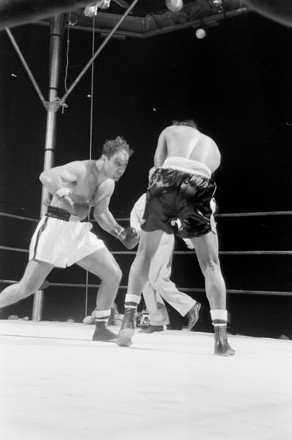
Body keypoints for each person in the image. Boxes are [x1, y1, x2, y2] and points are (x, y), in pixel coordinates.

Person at [0, 136, 139, 341]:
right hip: (55, 227)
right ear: (104, 158)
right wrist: (68, 196)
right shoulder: (82, 169)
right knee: (27, 287)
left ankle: (101, 327)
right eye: (117, 163)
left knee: (113, 274)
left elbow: (101, 214)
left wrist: (121, 233)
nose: (121, 169)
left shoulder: (108, 184)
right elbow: (46, 176)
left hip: (78, 231)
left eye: (124, 165)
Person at [117, 120, 235, 356]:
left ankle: (128, 320)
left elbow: (157, 168)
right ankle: (221, 340)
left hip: (167, 179)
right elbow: (206, 182)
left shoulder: (170, 131)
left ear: (181, 126)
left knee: (144, 254)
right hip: (199, 184)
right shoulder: (214, 148)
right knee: (211, 264)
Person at [130, 174, 201, 333]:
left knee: (158, 279)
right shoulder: (143, 199)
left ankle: (189, 306)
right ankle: (157, 320)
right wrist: (136, 235)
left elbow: (181, 220)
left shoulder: (169, 198)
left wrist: (190, 241)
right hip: (146, 241)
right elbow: (134, 219)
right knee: (145, 282)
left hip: (163, 237)